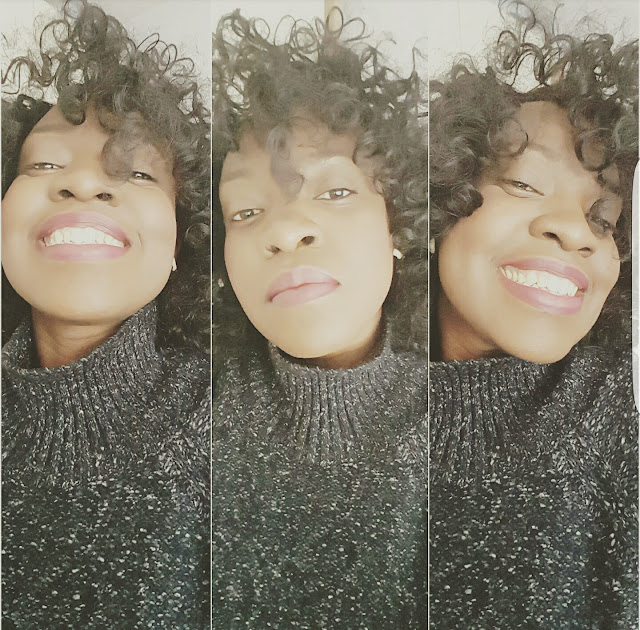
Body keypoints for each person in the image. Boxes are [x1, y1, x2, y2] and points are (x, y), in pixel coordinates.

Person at [211, 10, 429, 627]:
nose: (285, 229)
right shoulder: (183, 422)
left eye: (335, 192)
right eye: (245, 211)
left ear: (399, 225)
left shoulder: (463, 424)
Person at [428, 2, 638, 627]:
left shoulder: (616, 405)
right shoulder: (335, 395)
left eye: (604, 218)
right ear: (438, 199)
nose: (575, 231)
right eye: (523, 184)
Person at [1, 1, 210, 626]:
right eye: (45, 164)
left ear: (183, 243)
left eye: (138, 172)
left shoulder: (232, 428)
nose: (85, 185)